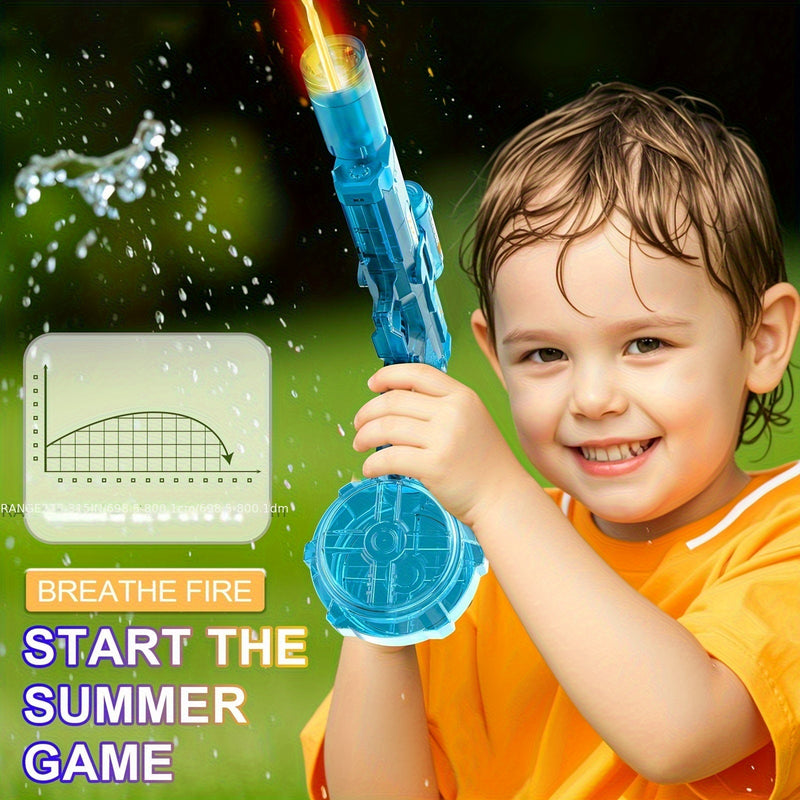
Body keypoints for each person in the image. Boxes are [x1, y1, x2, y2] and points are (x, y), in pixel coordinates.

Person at [301, 82, 800, 800]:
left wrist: (500, 496)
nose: (594, 399)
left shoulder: (782, 542)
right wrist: (385, 594)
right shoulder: (478, 566)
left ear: (762, 340)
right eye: (545, 355)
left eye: (646, 343)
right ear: (495, 356)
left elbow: (680, 729)